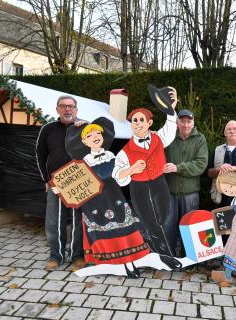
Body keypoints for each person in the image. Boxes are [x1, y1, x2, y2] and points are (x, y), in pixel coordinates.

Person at [113, 89, 181, 269]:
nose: (137, 123)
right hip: (139, 187)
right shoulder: (125, 151)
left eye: (141, 120)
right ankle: (167, 257)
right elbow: (117, 175)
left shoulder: (159, 138)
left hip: (159, 183)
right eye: (134, 121)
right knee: (151, 222)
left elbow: (170, 127)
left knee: (164, 216)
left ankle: (148, 242)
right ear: (131, 125)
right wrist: (131, 169)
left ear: (149, 123)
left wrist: (170, 110)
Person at [78, 123, 150, 278]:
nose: (95, 138)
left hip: (115, 198)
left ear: (102, 137)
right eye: (89, 136)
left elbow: (121, 179)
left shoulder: (112, 156)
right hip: (97, 203)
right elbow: (78, 187)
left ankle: (130, 262)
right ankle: (113, 264)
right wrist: (59, 189)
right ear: (84, 142)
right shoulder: (83, 162)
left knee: (125, 229)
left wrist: (131, 170)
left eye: (97, 133)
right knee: (105, 233)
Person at [36, 95, 85, 271]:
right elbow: (39, 154)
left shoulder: (84, 128)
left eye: (71, 106)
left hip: (79, 182)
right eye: (63, 106)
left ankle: (77, 255)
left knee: (78, 221)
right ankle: (56, 256)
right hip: (55, 182)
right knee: (54, 221)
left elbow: (98, 144)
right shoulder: (48, 129)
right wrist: (46, 178)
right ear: (57, 109)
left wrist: (86, 126)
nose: (67, 109)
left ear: (76, 110)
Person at [164, 109, 208, 252]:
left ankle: (188, 257)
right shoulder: (169, 138)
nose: (185, 125)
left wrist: (178, 168)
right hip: (169, 192)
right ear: (177, 123)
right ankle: (168, 257)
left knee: (189, 227)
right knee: (168, 227)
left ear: (193, 123)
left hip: (190, 194)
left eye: (188, 122)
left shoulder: (200, 139)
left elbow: (201, 164)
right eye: (182, 121)